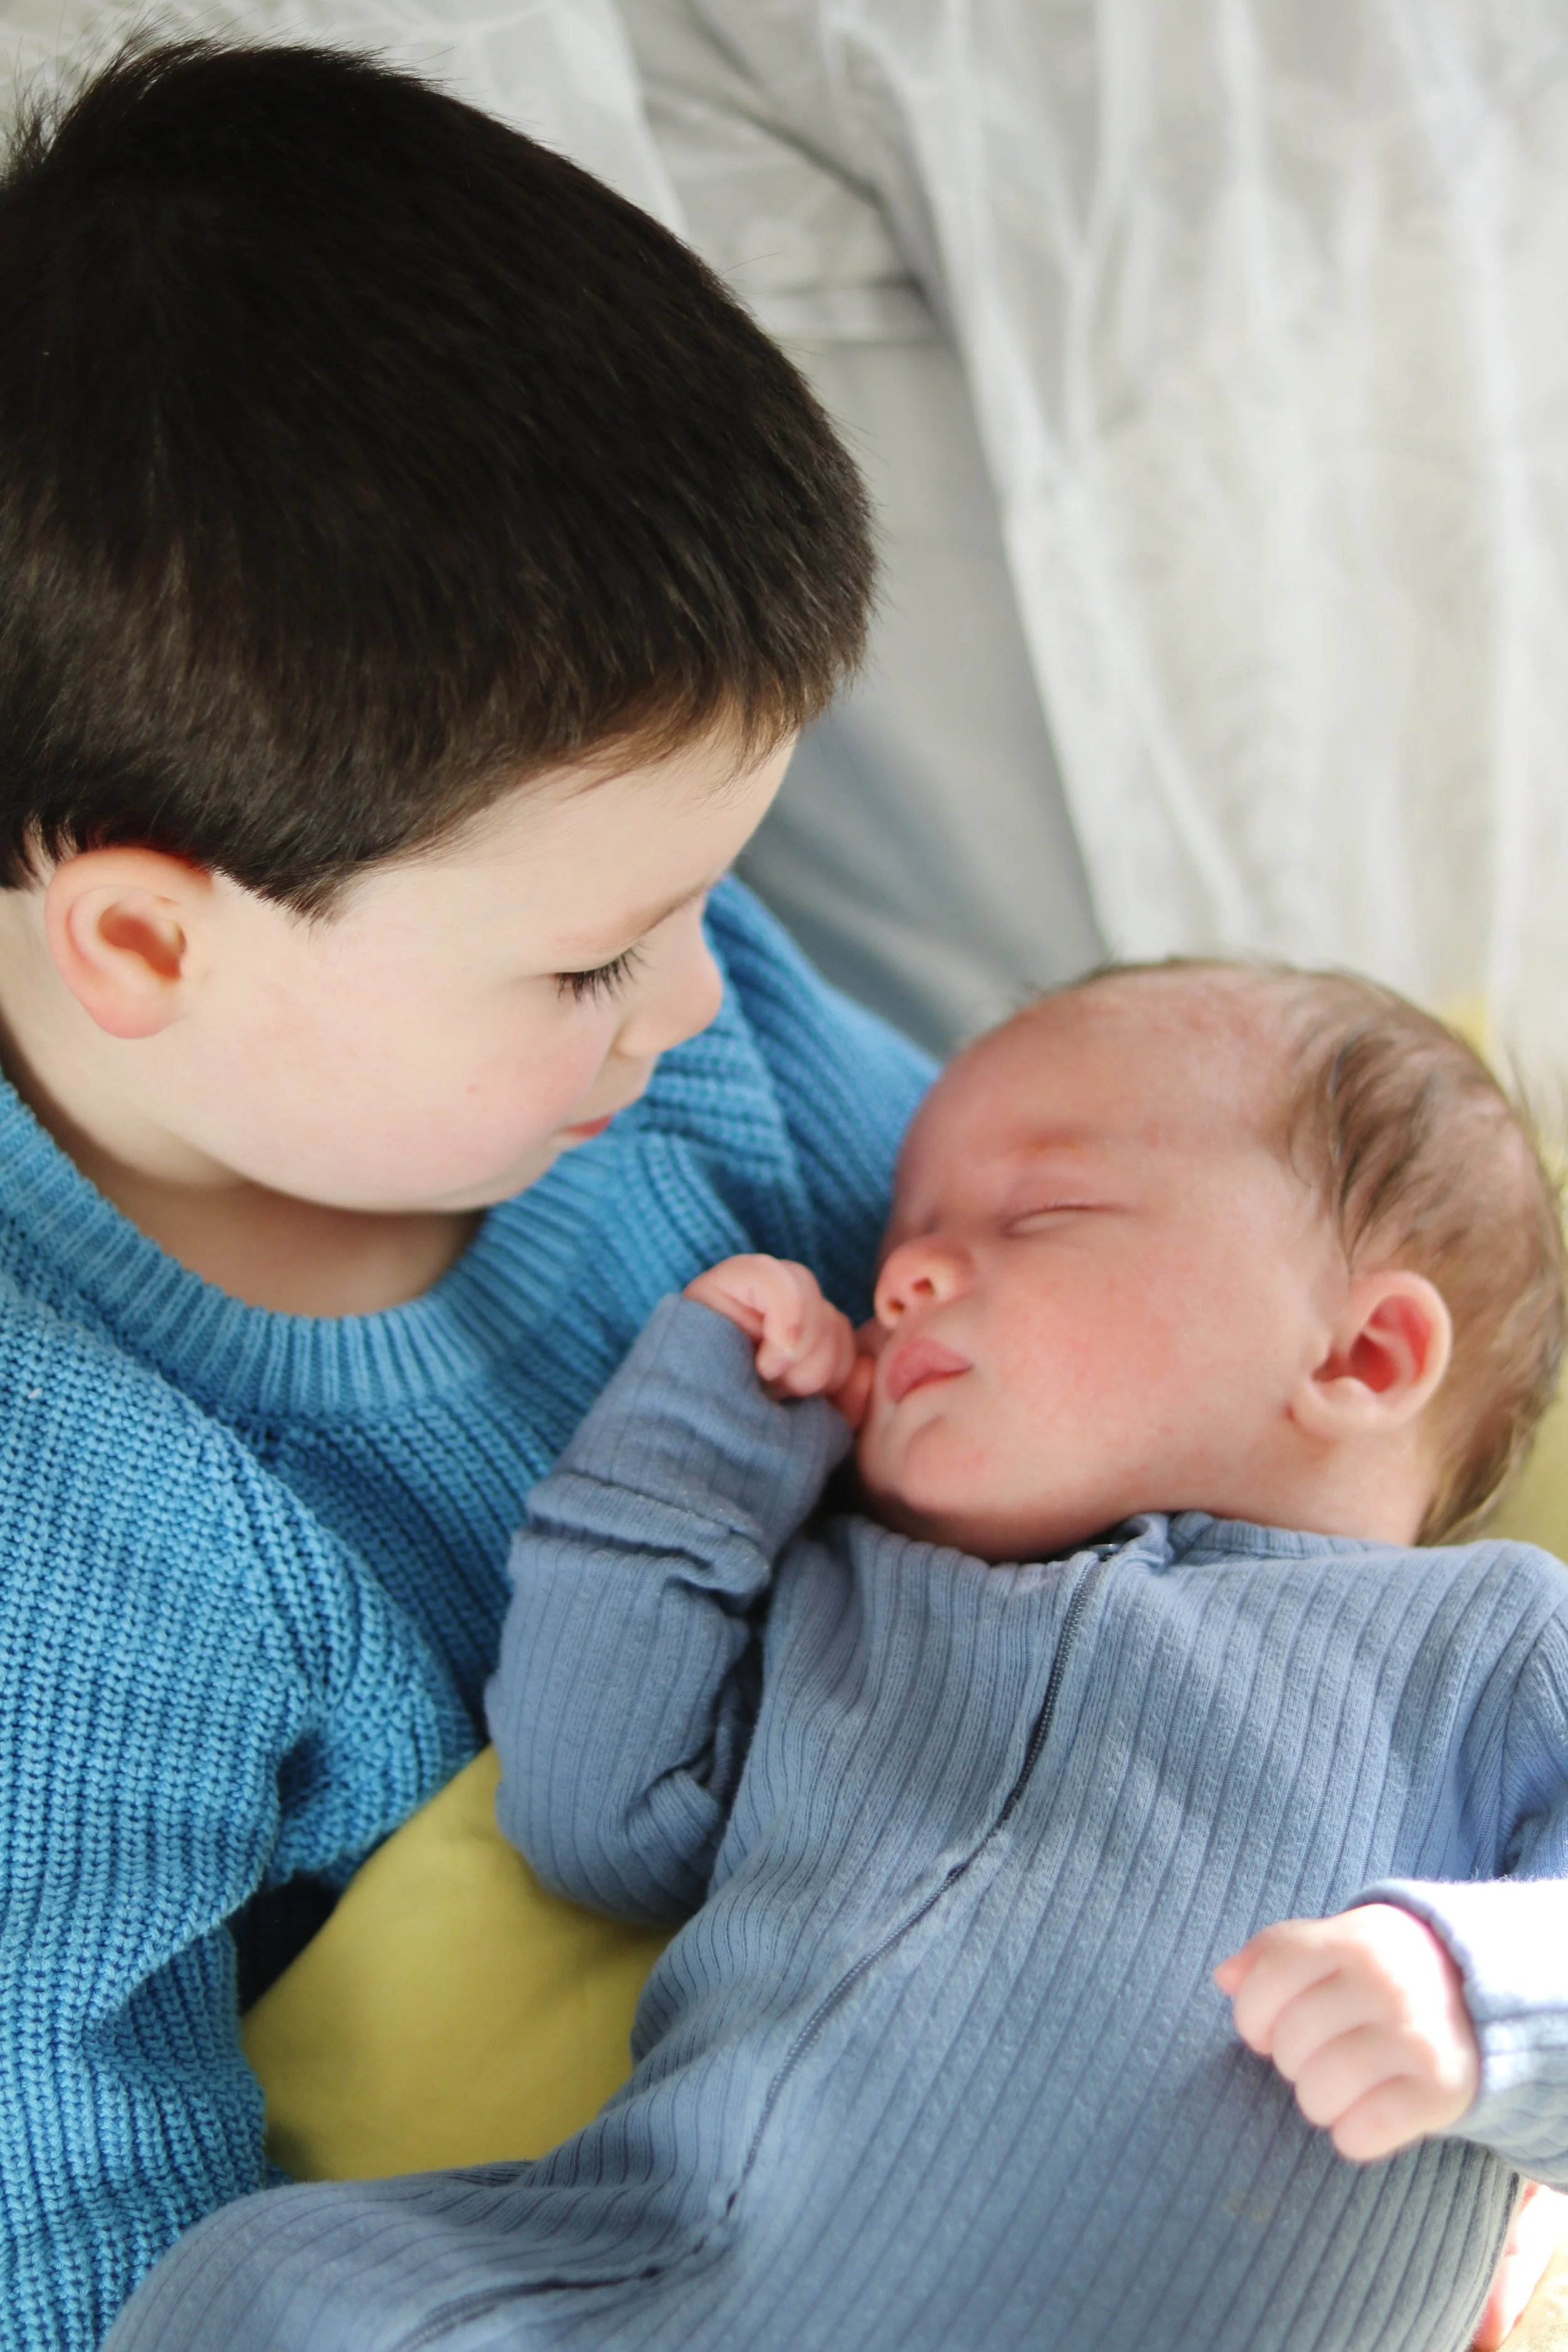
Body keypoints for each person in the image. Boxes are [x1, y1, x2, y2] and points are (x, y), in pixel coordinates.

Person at [0, 36, 933, 2350]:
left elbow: (1064, 1274)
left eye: (719, 891)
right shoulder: (82, 1527)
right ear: (143, 941)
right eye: (601, 952)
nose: (709, 1002)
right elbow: (64, 2185)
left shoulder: (657, 1055)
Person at [105, 959, 1568, 2352]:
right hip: (647, 2287)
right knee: (261, 2288)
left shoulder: (1490, 1651)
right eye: (897, 1244)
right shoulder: (844, 1594)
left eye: (1038, 1214)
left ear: (1361, 1356)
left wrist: (1475, 2000)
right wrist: (701, 1444)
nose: (910, 1272)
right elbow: (593, 1824)